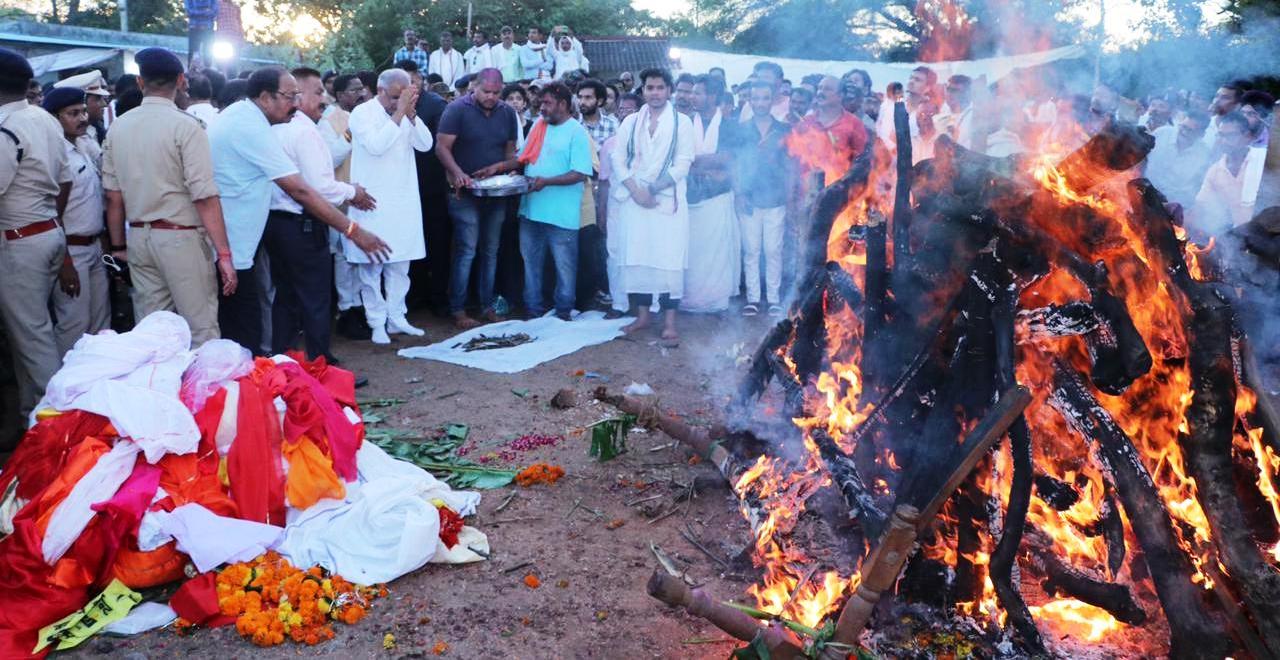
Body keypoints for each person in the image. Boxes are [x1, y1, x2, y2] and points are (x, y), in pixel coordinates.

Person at [210, 67, 389, 353]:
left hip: (240, 239)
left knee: (274, 307)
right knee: (246, 331)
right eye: (289, 96)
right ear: (266, 97)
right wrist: (354, 230)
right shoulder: (252, 127)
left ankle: (286, 373)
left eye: (296, 96)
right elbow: (302, 190)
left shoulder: (246, 118)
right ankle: (300, 376)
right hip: (234, 242)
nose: (294, 103)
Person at [103, 47, 232, 348]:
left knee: (152, 335)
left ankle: (161, 393)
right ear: (181, 80)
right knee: (202, 333)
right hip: (181, 238)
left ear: (140, 82)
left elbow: (113, 197)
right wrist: (224, 254)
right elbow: (204, 196)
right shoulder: (186, 126)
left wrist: (119, 246)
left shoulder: (118, 127)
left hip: (138, 239)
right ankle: (204, 394)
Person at [264, 68, 377, 362]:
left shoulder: (277, 126)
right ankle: (320, 366)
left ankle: (283, 363)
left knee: (286, 298)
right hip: (301, 223)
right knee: (314, 298)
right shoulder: (301, 130)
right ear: (296, 95)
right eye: (317, 92)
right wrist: (353, 192)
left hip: (277, 223)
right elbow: (320, 188)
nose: (323, 100)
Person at [476, 81, 592, 319]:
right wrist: (497, 167)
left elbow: (579, 173)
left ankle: (563, 312)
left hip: (562, 215)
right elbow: (523, 158)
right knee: (531, 265)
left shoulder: (577, 132)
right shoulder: (539, 125)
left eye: (547, 104)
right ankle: (533, 310)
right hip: (531, 211)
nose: (542, 108)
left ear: (563, 104)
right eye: (540, 103)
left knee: (565, 268)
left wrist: (545, 182)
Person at [0, 48, 73, 419]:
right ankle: (35, 418)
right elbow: (65, 179)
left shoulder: (5, 127)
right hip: (48, 232)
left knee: (32, 337)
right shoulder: (43, 120)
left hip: (19, 240)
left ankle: (58, 422)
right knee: (29, 334)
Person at [346, 68, 434, 343]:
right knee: (371, 267)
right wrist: (399, 114)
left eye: (405, 96)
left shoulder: (406, 114)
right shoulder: (362, 113)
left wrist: (411, 116)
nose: (400, 101)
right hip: (372, 200)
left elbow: (425, 145)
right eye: (396, 96)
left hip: (403, 200)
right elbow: (376, 145)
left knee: (400, 265)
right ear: (381, 90)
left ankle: (397, 317)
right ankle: (376, 323)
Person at [609, 68, 694, 347]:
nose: (655, 93)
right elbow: (617, 159)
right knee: (638, 258)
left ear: (669, 90)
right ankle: (643, 316)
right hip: (635, 199)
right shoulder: (631, 122)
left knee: (669, 259)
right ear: (642, 91)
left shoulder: (683, 123)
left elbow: (683, 163)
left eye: (660, 88)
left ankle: (669, 322)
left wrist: (652, 189)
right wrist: (635, 190)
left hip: (665, 200)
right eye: (649, 88)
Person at [435, 68, 519, 329]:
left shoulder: (507, 113)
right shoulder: (457, 109)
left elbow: (510, 154)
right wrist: (458, 173)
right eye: (486, 92)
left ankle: (487, 306)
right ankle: (458, 309)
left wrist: (505, 171)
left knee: (491, 250)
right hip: (463, 193)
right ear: (475, 87)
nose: (491, 97)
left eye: (496, 92)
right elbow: (441, 147)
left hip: (494, 192)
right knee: (467, 250)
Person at [43, 87, 110, 356]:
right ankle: (62, 390)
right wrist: (65, 261)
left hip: (93, 246)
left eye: (83, 111)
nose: (82, 118)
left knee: (100, 323)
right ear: (54, 118)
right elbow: (53, 212)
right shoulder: (56, 152)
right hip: (71, 250)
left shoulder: (84, 145)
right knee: (74, 324)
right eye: (73, 114)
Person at [728, 79, 794, 317]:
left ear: (773, 99)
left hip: (776, 198)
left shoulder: (784, 130)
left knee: (774, 249)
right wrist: (739, 193)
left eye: (765, 98)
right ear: (749, 100)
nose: (759, 103)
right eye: (755, 98)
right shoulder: (741, 129)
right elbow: (734, 164)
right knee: (751, 250)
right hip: (749, 197)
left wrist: (789, 196)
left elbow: (790, 166)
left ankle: (774, 298)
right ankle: (753, 298)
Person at [319, 73, 371, 338]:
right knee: (344, 256)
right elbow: (329, 157)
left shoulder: (368, 114)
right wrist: (351, 134)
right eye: (354, 90)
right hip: (342, 197)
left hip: (366, 197)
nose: (360, 94)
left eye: (362, 89)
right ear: (339, 96)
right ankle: (347, 310)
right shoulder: (330, 120)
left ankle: (363, 308)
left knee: (362, 256)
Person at [682, 73, 738, 314]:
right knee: (692, 251)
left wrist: (694, 162)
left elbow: (727, 159)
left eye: (697, 92)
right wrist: (705, 164)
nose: (691, 96)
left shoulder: (729, 126)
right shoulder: (684, 123)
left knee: (716, 252)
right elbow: (680, 160)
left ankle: (715, 301)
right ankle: (691, 299)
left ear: (713, 97)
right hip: (690, 199)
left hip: (717, 198)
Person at [1190, 111, 1265, 239]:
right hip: (1242, 240)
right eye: (1220, 135)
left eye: (1229, 136)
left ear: (1246, 136)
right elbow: (1201, 205)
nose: (1222, 141)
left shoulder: (1263, 158)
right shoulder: (1215, 171)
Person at [601, 92, 641, 318]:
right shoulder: (610, 144)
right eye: (622, 110)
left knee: (644, 253)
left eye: (631, 110)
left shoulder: (651, 142)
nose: (626, 114)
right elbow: (604, 182)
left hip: (644, 206)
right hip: (617, 206)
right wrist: (601, 212)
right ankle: (619, 304)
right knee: (614, 253)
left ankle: (651, 305)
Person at [798, 76, 868, 177]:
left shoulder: (854, 124)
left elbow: (861, 161)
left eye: (827, 89)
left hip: (837, 187)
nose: (820, 92)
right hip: (806, 187)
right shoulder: (806, 122)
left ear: (841, 95)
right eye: (819, 88)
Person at [1144, 109, 1213, 209]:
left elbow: (1194, 189)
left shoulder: (1204, 155)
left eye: (1190, 130)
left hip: (1168, 205)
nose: (1184, 132)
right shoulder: (1162, 133)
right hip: (1141, 189)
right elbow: (1142, 157)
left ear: (1201, 134)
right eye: (1183, 127)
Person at [876, 65, 938, 164]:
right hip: (887, 163)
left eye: (917, 80)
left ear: (927, 88)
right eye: (911, 78)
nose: (911, 82)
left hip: (915, 165)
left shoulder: (931, 113)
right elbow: (880, 132)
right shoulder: (889, 106)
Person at [54, 70, 110, 146]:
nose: (104, 104)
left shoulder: (96, 130)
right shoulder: (66, 140)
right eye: (98, 99)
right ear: (83, 102)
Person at [935, 74, 975, 149]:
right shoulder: (940, 111)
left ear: (966, 93)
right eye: (948, 89)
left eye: (955, 91)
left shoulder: (975, 115)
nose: (949, 94)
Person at [1204, 80, 1247, 148]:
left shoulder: (1242, 130)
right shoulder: (1204, 123)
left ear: (1237, 105)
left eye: (1224, 98)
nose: (1217, 100)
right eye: (1216, 96)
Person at [578, 79, 618, 147]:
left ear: (600, 101)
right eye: (580, 97)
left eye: (588, 97)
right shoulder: (574, 125)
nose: (582, 102)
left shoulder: (612, 126)